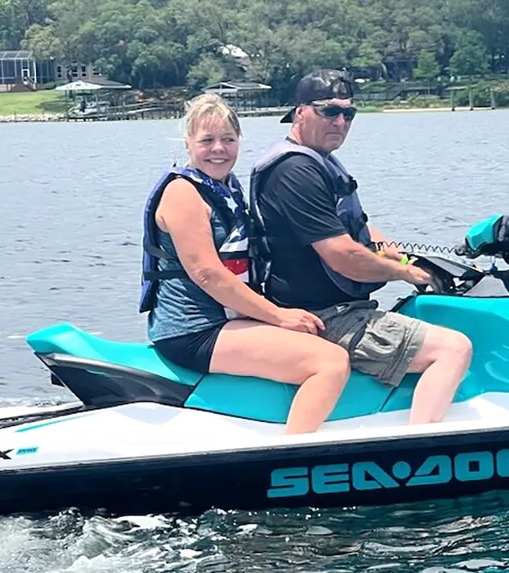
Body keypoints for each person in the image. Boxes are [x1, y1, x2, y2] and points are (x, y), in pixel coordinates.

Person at [248, 70, 473, 425]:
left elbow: (359, 226)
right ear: (299, 112)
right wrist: (403, 272)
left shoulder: (318, 158)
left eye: (348, 113)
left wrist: (402, 255)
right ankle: (421, 448)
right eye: (329, 111)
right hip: (323, 316)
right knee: (454, 348)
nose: (340, 121)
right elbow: (342, 256)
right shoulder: (295, 171)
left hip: (342, 306)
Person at [139, 93, 350, 435]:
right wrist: (279, 315)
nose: (218, 149)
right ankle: (292, 456)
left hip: (224, 320)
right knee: (329, 362)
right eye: (207, 140)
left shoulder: (226, 189)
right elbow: (207, 274)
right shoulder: (183, 193)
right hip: (192, 329)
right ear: (188, 143)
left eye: (228, 139)